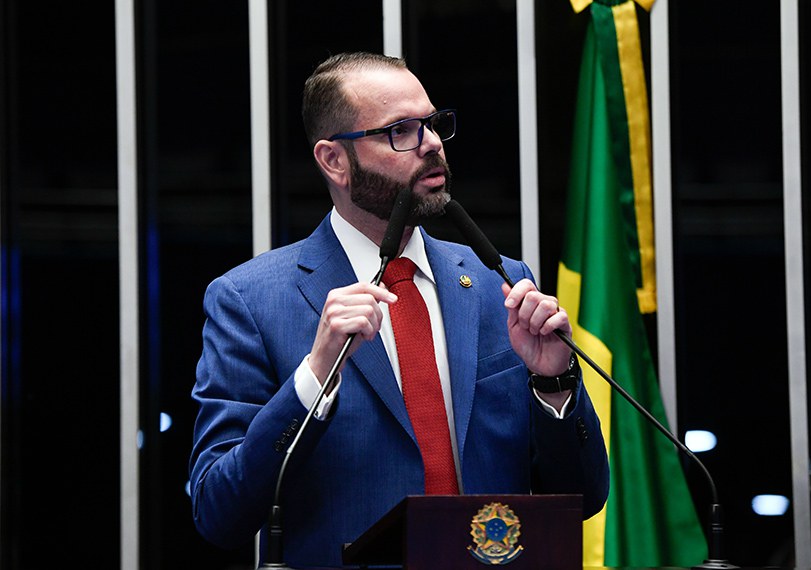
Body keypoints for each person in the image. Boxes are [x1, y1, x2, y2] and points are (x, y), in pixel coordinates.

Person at [189, 51, 609, 568]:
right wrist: (314, 376)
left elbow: (584, 499)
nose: (431, 144)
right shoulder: (250, 301)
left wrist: (555, 385)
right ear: (334, 160)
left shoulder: (500, 284)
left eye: (433, 124)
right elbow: (218, 513)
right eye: (401, 130)